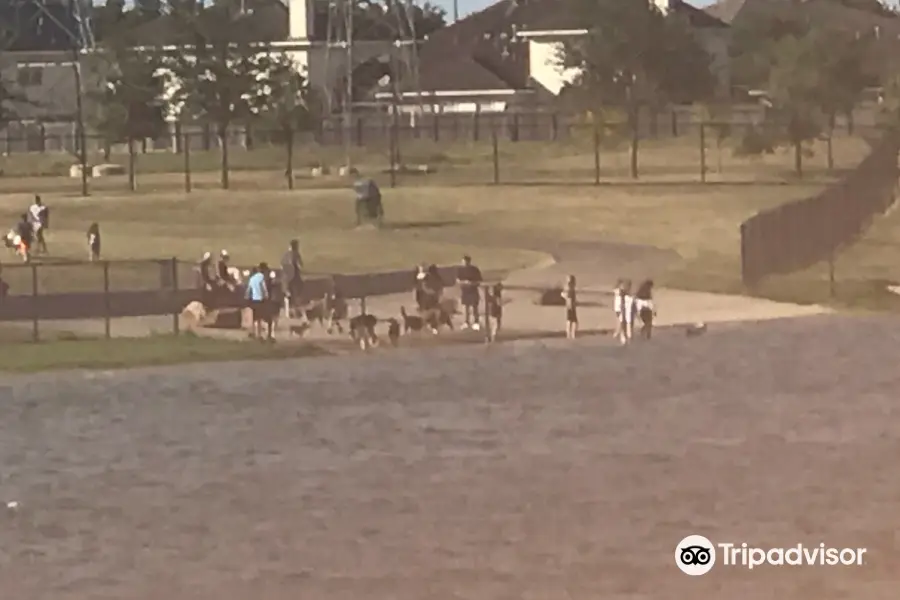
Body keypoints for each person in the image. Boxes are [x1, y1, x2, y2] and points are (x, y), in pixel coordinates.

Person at [245, 263, 274, 341]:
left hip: (254, 300)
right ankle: (268, 335)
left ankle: (256, 334)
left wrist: (246, 298)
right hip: (261, 300)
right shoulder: (261, 277)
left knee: (256, 318)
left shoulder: (252, 278)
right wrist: (266, 295)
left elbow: (248, 290)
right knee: (267, 318)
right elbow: (263, 286)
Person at [280, 239, 305, 320]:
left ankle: (288, 312)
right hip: (294, 278)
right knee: (296, 295)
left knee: (287, 295)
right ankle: (296, 312)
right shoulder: (296, 254)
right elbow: (300, 265)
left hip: (286, 278)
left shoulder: (285, 255)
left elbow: (282, 265)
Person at [458, 255, 483, 331]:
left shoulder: (474, 270)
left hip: (473, 290)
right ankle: (466, 322)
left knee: (475, 307)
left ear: (469, 262)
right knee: (466, 307)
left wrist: (472, 283)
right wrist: (464, 282)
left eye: (466, 262)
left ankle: (476, 322)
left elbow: (479, 280)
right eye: (463, 262)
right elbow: (458, 280)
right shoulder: (460, 270)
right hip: (465, 291)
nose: (464, 263)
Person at [562, 274, 578, 340]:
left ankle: (569, 333)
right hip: (571, 306)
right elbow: (568, 296)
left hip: (569, 306)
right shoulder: (571, 289)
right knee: (573, 321)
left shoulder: (568, 288)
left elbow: (564, 294)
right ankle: (572, 334)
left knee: (570, 320)